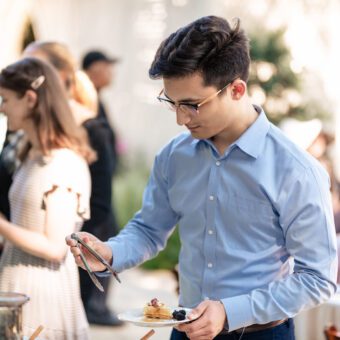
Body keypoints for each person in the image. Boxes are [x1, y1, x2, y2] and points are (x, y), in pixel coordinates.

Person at [66, 16, 338, 340]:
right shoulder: (174, 156)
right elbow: (149, 229)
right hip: (184, 330)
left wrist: (230, 311)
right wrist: (109, 253)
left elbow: (318, 279)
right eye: (173, 103)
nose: (181, 118)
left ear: (237, 89)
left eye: (192, 105)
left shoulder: (296, 170)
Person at [0, 57, 94, 339]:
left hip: (43, 296)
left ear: (30, 99)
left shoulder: (62, 164)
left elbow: (56, 247)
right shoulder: (31, 155)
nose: (2, 109)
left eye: (5, 100)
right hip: (18, 286)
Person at [81, 49, 122, 325]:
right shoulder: (88, 102)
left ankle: (97, 305)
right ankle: (93, 306)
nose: (111, 72)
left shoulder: (99, 101)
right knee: (99, 244)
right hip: (94, 193)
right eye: (107, 66)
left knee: (107, 242)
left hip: (101, 189)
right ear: (93, 69)